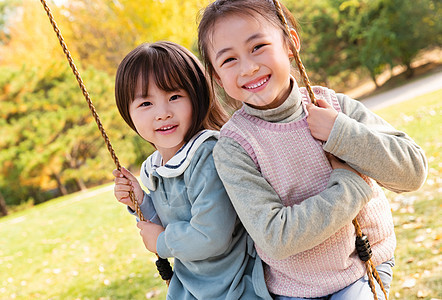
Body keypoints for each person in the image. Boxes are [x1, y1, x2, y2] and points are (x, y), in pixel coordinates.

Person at [197, 0, 428, 299]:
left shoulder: (333, 107)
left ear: (290, 43)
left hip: (363, 268)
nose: (249, 67)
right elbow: (275, 237)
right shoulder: (234, 146)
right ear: (217, 77)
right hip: (295, 288)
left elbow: (413, 172)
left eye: (258, 47)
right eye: (228, 60)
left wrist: (340, 132)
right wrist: (351, 188)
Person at [112, 41, 274, 300]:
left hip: (235, 286)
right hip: (193, 286)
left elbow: (212, 235)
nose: (163, 113)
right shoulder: (158, 166)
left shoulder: (207, 154)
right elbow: (171, 223)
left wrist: (162, 242)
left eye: (174, 97)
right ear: (128, 113)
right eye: (146, 104)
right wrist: (141, 201)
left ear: (195, 96)